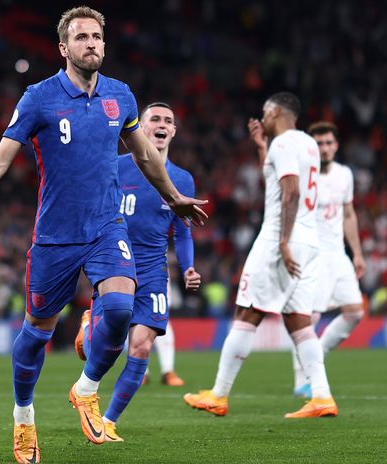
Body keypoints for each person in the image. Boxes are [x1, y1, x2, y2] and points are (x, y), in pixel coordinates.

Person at [0, 6, 207, 463]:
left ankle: (86, 389)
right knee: (36, 334)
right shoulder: (39, 98)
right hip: (55, 237)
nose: (91, 43)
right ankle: (23, 420)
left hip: (105, 227)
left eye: (97, 36)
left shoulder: (121, 97)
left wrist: (172, 196)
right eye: (82, 37)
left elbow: (148, 157)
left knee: (117, 306)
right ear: (63, 48)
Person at [183, 92, 338, 419]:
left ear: (278, 112)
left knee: (247, 312)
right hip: (309, 240)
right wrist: (261, 148)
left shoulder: (283, 145)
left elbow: (290, 190)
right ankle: (322, 397)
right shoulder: (307, 144)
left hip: (280, 238)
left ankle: (218, 394)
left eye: (266, 113)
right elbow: (278, 181)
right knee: (299, 322)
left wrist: (282, 240)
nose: (262, 118)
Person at [74, 102, 200, 442]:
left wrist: (188, 267)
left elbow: (184, 231)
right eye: (154, 119)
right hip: (116, 264)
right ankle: (89, 329)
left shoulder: (183, 179)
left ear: (173, 131)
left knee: (142, 346)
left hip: (154, 270)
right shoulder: (115, 167)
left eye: (168, 121)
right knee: (107, 343)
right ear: (139, 128)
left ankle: (109, 421)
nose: (161, 125)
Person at [291, 121, 365, 397]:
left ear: (336, 145)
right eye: (319, 144)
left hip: (338, 254)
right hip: (312, 253)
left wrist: (356, 252)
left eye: (328, 143)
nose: (324, 148)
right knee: (309, 317)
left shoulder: (345, 174)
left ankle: (316, 354)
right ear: (311, 146)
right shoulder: (301, 175)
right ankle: (302, 380)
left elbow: (348, 214)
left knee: (355, 311)